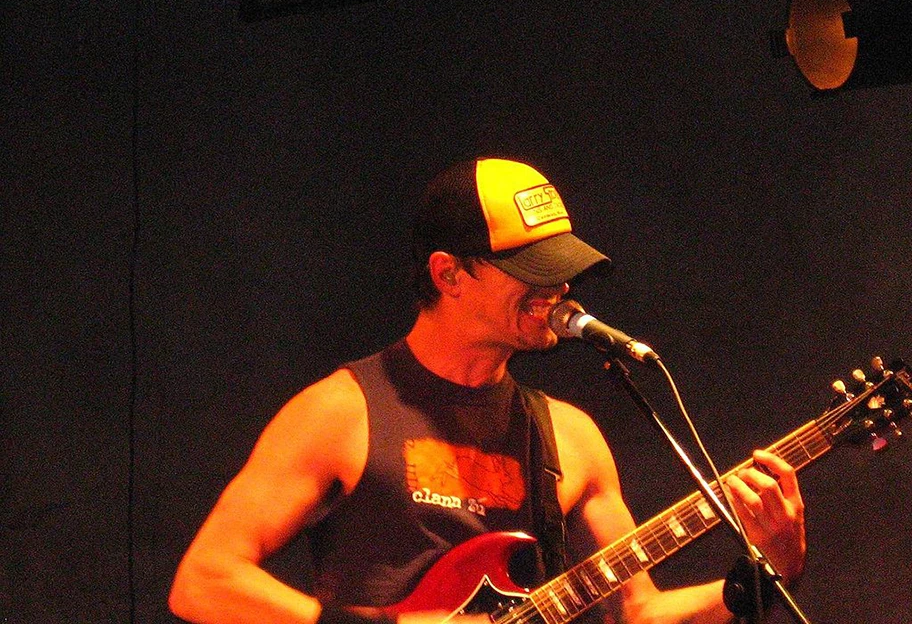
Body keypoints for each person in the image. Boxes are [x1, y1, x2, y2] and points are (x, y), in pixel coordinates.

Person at [169, 157, 806, 624]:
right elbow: (204, 582)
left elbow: (639, 612)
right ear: (449, 274)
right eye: (533, 272)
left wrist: (761, 573)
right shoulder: (340, 412)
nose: (557, 292)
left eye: (562, 271)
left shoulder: (571, 436)